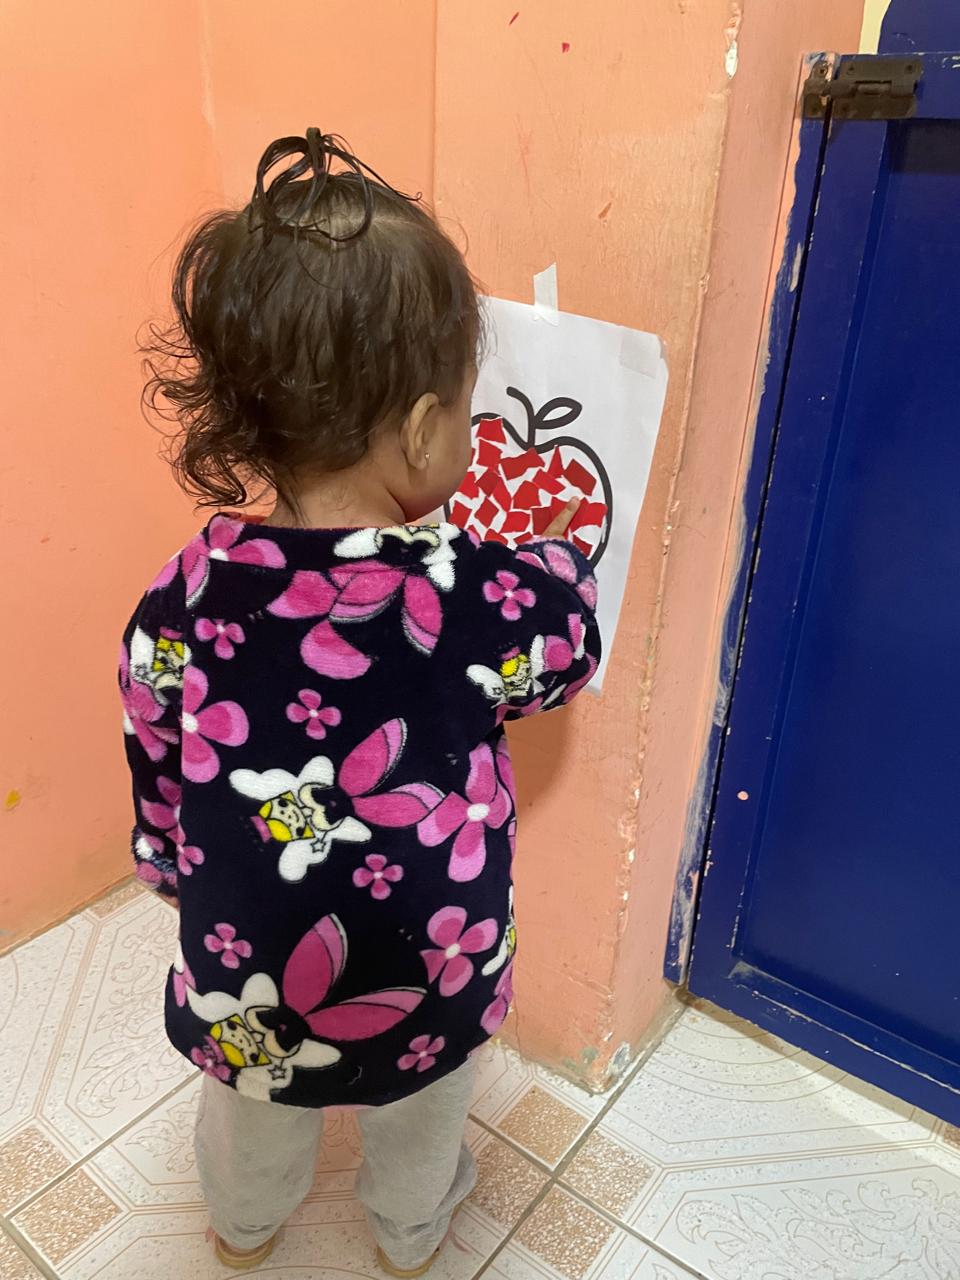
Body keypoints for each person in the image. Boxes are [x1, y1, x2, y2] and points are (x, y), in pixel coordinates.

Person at [119, 129, 600, 1274]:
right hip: (432, 955)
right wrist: (559, 559)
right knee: (423, 1114)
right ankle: (409, 1232)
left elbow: (156, 744)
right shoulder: (473, 590)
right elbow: (566, 651)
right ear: (427, 427)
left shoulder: (184, 594)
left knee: (249, 1113)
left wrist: (170, 862)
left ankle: (244, 1227)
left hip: (248, 950)